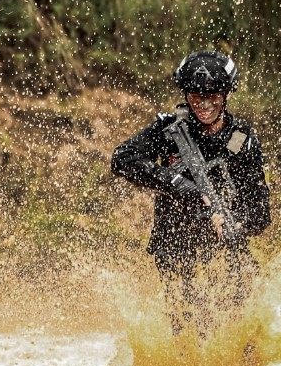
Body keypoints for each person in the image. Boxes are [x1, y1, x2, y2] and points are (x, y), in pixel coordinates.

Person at [111, 50, 271, 336]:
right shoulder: (169, 130)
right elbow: (122, 159)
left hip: (223, 244)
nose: (204, 104)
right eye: (195, 96)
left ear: (226, 95)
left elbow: (261, 211)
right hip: (175, 242)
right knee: (188, 330)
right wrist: (180, 185)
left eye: (213, 96)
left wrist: (236, 224)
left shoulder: (242, 142)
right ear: (186, 96)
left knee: (241, 331)